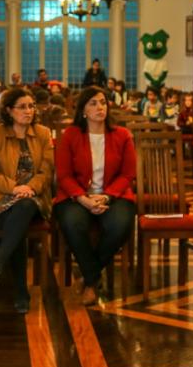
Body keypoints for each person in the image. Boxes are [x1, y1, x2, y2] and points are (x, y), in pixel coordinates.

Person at [54, 87, 137, 305]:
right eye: (93, 103)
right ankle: (93, 279)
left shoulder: (122, 135)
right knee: (73, 224)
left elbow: (128, 174)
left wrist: (106, 197)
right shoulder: (71, 135)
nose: (100, 107)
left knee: (120, 225)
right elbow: (63, 175)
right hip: (76, 197)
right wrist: (83, 199)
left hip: (113, 195)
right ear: (83, 110)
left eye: (102, 102)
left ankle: (89, 280)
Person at [0, 88, 55, 313]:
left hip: (34, 197)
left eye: (31, 106)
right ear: (9, 110)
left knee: (23, 208)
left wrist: (29, 188)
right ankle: (20, 292)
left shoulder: (42, 133)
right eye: (22, 107)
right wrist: (14, 188)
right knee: (18, 224)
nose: (28, 111)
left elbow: (47, 170)